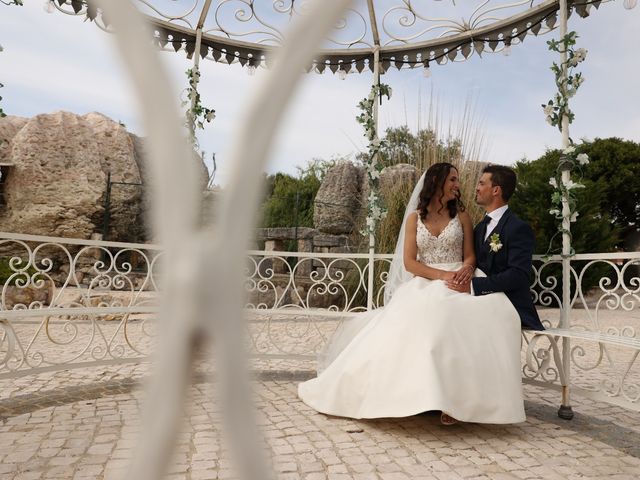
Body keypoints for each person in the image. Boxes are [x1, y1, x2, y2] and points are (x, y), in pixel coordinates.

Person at [297, 163, 526, 424]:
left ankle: (454, 402)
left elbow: (470, 255)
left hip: (459, 277)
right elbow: (409, 263)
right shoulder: (414, 218)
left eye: (458, 180)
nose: (458, 185)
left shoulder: (461, 215)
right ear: (437, 182)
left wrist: (465, 269)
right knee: (416, 319)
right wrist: (441, 275)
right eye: (453, 179)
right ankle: (412, 394)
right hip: (427, 279)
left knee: (460, 316)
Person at [446, 165, 544, 331]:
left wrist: (474, 286)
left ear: (496, 190)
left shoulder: (518, 228)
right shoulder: (479, 229)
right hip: (478, 303)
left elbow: (518, 275)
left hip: (508, 305)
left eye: (482, 183)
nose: (476, 188)